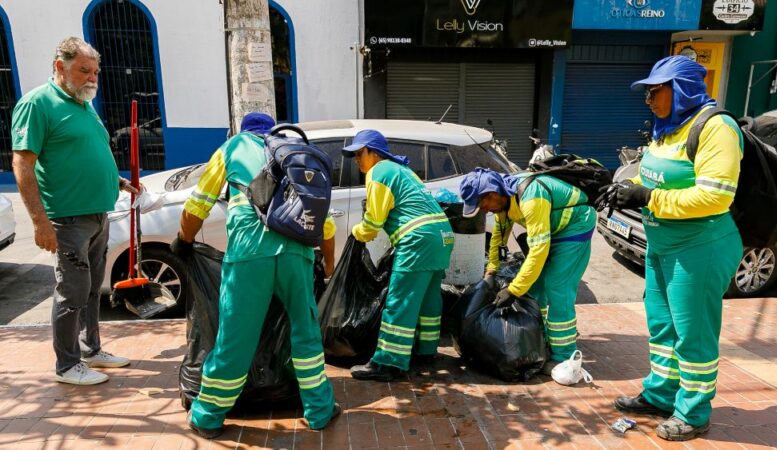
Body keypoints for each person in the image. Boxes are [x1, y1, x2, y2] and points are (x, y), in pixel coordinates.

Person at [172, 112, 339, 439]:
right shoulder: (293, 152)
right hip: (298, 255)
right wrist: (327, 267)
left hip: (250, 257)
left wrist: (184, 241)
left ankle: (207, 416)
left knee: (236, 340)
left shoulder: (232, 147)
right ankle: (319, 411)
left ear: (244, 131)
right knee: (305, 334)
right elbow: (326, 226)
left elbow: (197, 207)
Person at [605, 55, 743, 441]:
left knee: (693, 333)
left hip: (700, 246)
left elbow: (715, 196)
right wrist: (626, 188)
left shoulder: (717, 128)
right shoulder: (667, 130)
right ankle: (662, 393)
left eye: (655, 90)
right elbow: (658, 174)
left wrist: (648, 197)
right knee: (662, 326)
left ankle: (694, 412)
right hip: (662, 243)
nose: (648, 98)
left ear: (680, 89)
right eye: (646, 92)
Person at [11, 37, 136, 386]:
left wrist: (116, 181)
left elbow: (83, 152)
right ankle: (67, 365)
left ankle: (90, 349)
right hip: (67, 219)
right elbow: (23, 162)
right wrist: (40, 222)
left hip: (98, 213)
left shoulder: (84, 103)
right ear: (59, 67)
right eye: (84, 70)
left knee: (94, 288)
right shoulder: (38, 104)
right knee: (72, 292)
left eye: (95, 71)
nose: (92, 78)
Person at [459, 167, 596, 381]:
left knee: (557, 286)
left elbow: (539, 250)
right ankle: (539, 339)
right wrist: (492, 270)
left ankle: (563, 357)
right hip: (551, 228)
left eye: (483, 205)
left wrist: (513, 290)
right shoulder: (504, 201)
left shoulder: (531, 197)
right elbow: (498, 238)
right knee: (536, 286)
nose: (484, 211)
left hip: (574, 227)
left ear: (492, 194)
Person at [345, 130, 454, 381]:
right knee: (428, 298)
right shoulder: (403, 170)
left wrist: (357, 232)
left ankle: (388, 363)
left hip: (419, 239)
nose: (356, 160)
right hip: (442, 235)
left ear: (374, 152)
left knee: (400, 299)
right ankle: (426, 351)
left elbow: (374, 221)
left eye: (359, 153)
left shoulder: (379, 171)